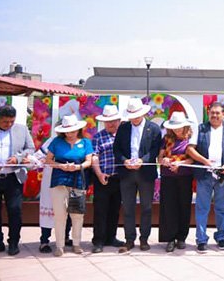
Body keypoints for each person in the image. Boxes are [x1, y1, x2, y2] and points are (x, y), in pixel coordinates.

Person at [187, 101, 224, 253]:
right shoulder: (200, 128)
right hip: (204, 175)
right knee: (202, 208)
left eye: (218, 113)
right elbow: (190, 149)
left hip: (223, 175)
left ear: (223, 114)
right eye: (212, 112)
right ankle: (201, 240)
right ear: (208, 113)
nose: (214, 115)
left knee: (222, 209)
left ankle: (221, 237)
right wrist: (205, 161)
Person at [114, 98, 162, 253]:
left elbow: (155, 149)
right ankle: (129, 239)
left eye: (136, 115)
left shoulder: (153, 129)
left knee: (146, 207)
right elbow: (117, 149)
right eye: (131, 115)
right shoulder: (123, 128)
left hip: (145, 173)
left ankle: (144, 239)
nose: (134, 118)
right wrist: (124, 160)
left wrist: (143, 160)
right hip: (127, 173)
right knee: (128, 207)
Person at [44, 115, 93, 256]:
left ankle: (76, 243)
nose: (70, 134)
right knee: (60, 213)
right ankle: (59, 245)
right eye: (67, 131)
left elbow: (89, 161)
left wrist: (77, 167)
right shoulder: (56, 142)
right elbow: (48, 160)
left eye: (73, 131)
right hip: (59, 180)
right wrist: (61, 166)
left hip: (78, 179)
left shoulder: (85, 142)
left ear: (78, 129)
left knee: (77, 214)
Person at [0, 105, 34, 256]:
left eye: (11, 121)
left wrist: (18, 157)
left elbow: (30, 148)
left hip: (14, 177)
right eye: (5, 122)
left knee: (15, 210)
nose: (9, 125)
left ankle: (14, 241)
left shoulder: (21, 130)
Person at [158, 112, 195, 253]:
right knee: (169, 207)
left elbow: (193, 159)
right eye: (175, 127)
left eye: (180, 127)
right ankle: (170, 238)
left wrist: (180, 163)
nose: (177, 130)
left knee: (184, 206)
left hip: (185, 176)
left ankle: (181, 238)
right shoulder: (166, 139)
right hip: (168, 177)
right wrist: (164, 160)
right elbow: (159, 157)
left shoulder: (190, 139)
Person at [90, 105, 125, 253]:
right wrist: (99, 174)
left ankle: (111, 237)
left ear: (118, 120)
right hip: (103, 178)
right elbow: (94, 157)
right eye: (108, 121)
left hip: (119, 178)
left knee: (114, 210)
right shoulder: (98, 137)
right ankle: (98, 240)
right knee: (100, 210)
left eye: (114, 120)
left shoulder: (124, 135)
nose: (111, 123)